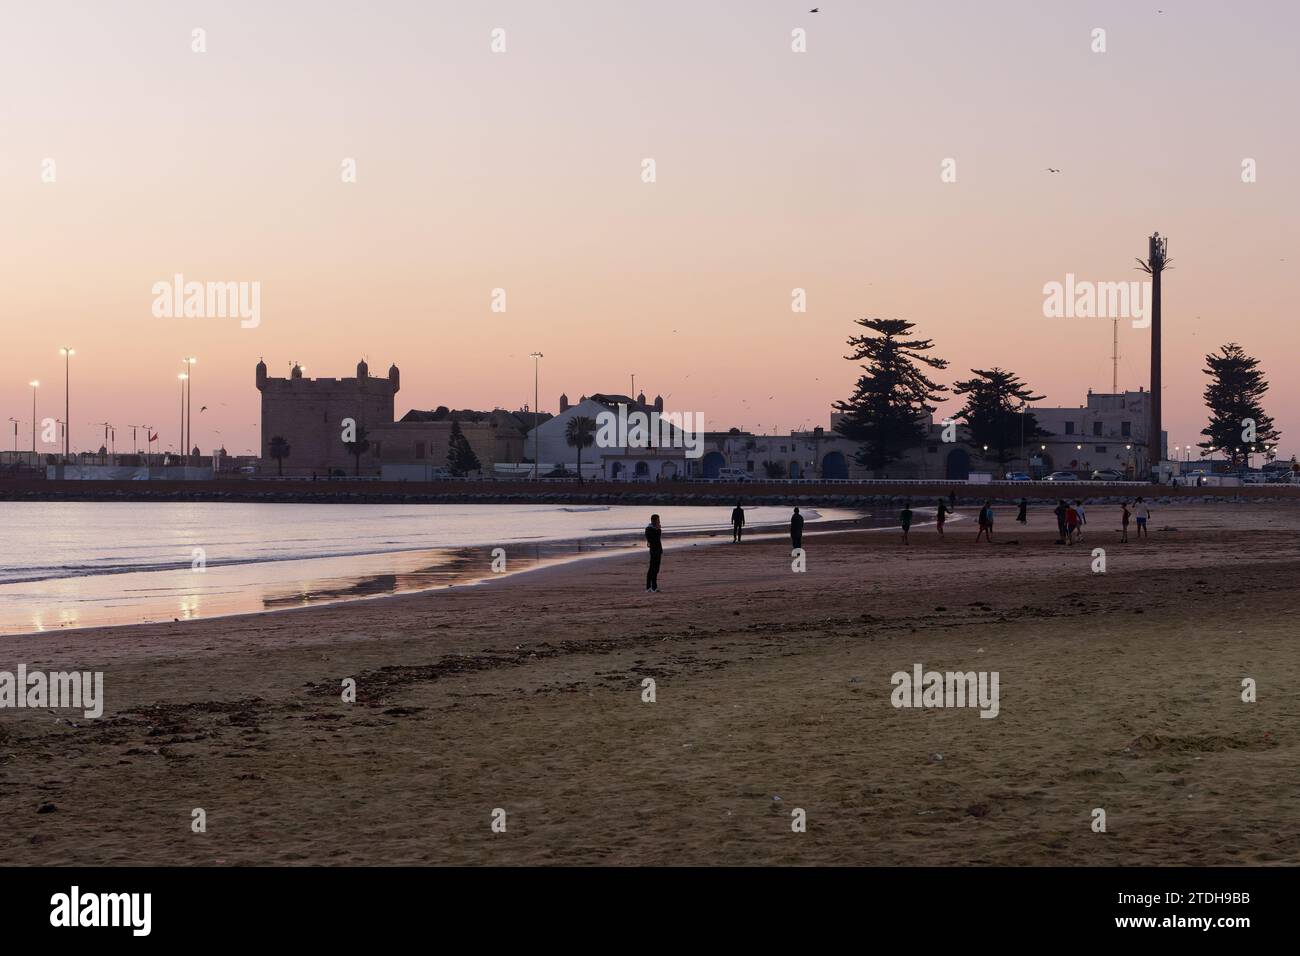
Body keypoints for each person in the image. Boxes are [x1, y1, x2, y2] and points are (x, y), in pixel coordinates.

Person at [645, 514, 663, 592]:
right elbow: (652, 540)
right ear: (653, 520)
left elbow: (658, 538)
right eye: (658, 520)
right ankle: (651, 587)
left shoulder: (656, 529)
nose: (659, 521)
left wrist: (658, 529)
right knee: (653, 568)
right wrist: (658, 529)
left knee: (656, 569)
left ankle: (652, 587)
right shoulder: (649, 529)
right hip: (653, 550)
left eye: (659, 520)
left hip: (658, 550)